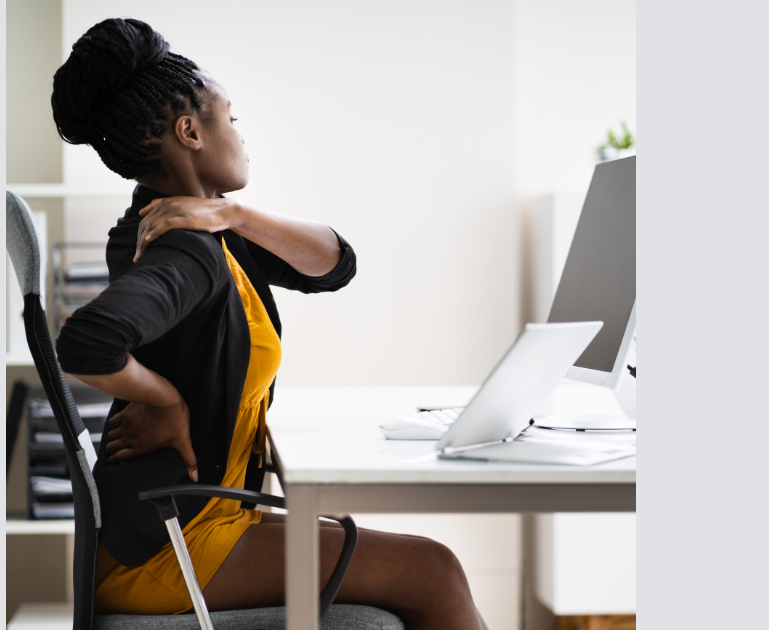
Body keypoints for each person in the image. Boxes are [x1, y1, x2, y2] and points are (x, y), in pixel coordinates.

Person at [52, 18, 488, 630]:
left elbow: (335, 264)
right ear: (190, 131)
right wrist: (166, 400)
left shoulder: (203, 231)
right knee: (434, 572)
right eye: (231, 119)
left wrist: (233, 212)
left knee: (420, 571)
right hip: (172, 543)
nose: (241, 135)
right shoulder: (182, 249)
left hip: (197, 514)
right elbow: (85, 340)